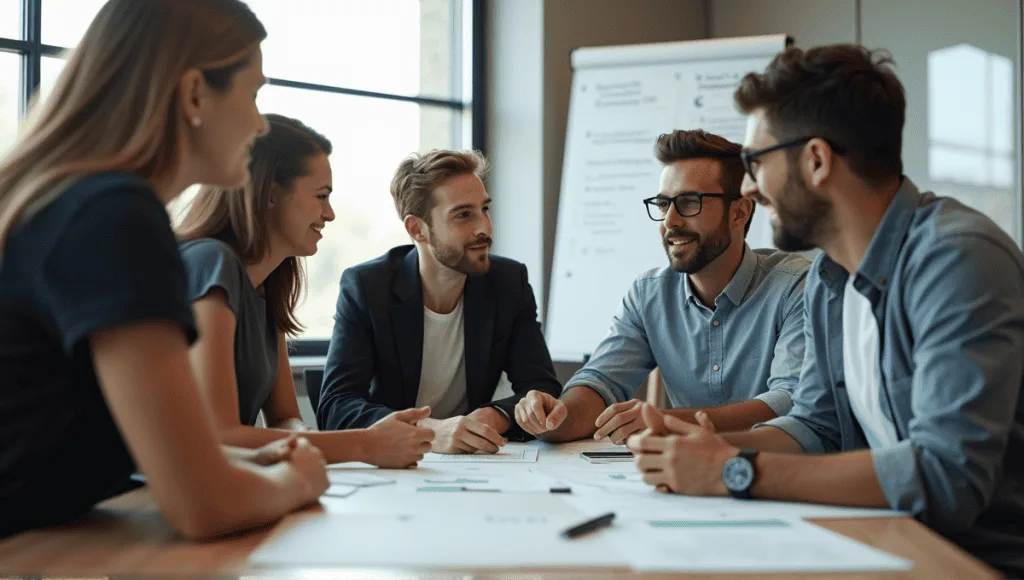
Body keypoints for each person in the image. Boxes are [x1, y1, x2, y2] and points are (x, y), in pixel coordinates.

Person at [627, 44, 1024, 577]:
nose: (748, 187)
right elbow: (817, 428)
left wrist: (735, 470)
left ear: (815, 159)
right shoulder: (827, 278)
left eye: (756, 162)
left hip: (972, 559)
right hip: (875, 539)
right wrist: (703, 446)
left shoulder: (956, 259)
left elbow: (946, 476)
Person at [0, 0, 329, 540]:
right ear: (195, 93)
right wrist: (298, 480)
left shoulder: (75, 201)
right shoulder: (114, 214)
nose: (259, 121)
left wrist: (245, 460)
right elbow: (204, 505)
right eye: (252, 95)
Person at [513, 130, 809, 444]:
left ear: (739, 211)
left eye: (688, 203)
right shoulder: (649, 295)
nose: (670, 221)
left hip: (775, 473)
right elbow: (601, 381)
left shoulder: (795, 286)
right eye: (663, 204)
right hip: (683, 476)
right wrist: (557, 418)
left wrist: (665, 420)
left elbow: (789, 401)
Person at [177, 114, 435, 469]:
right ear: (270, 194)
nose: (329, 214)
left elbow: (285, 417)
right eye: (321, 196)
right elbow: (219, 434)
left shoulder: (269, 286)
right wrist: (365, 443)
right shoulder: (211, 262)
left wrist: (305, 444)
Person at [316, 149, 562, 453]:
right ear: (417, 228)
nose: (484, 227)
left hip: (474, 464)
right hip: (393, 465)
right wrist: (432, 431)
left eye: (484, 209)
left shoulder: (508, 282)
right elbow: (336, 408)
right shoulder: (368, 287)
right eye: (463, 215)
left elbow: (542, 388)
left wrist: (495, 415)